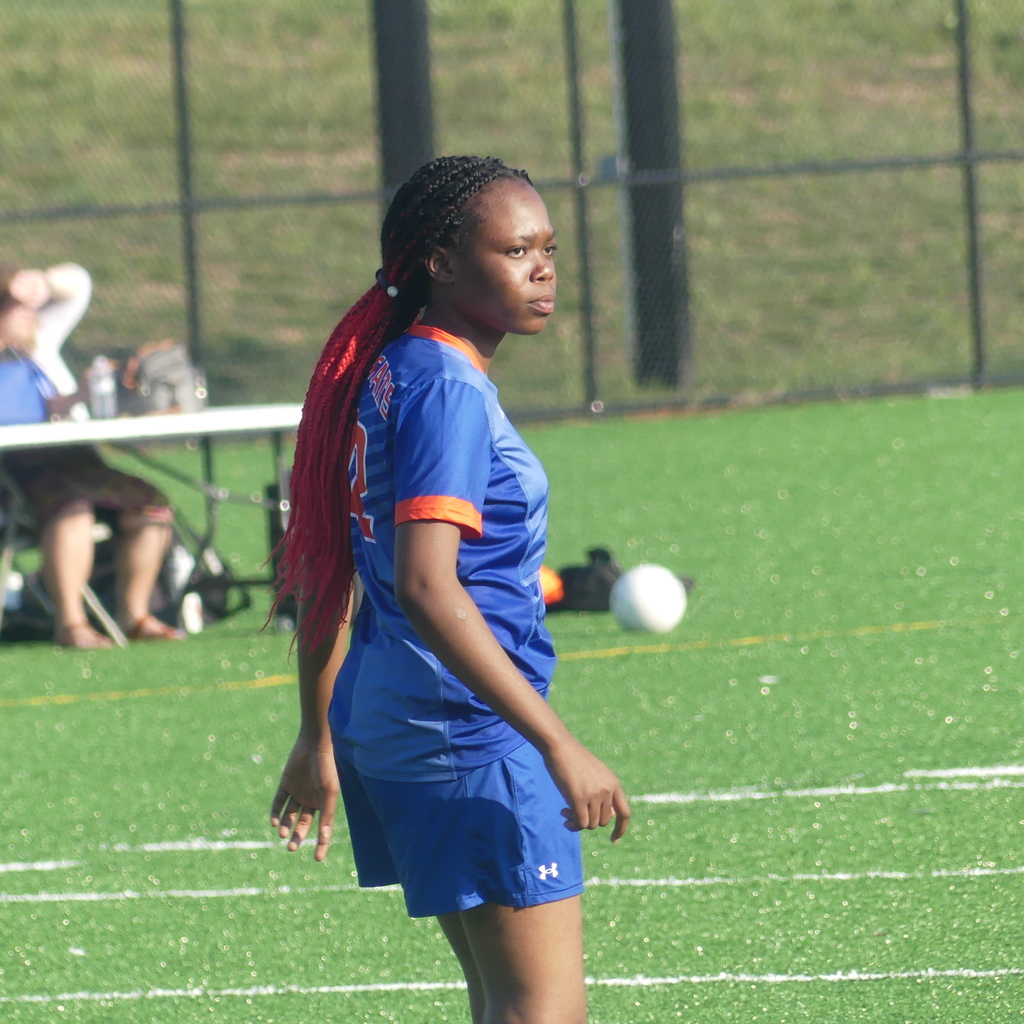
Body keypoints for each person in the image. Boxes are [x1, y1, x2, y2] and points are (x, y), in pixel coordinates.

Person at [269, 156, 630, 1024]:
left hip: (395, 719)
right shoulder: (441, 386)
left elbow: (328, 564)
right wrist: (555, 742)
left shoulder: (392, 367)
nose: (542, 269)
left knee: (503, 1002)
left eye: (548, 248)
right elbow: (425, 585)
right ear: (439, 260)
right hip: (466, 731)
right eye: (514, 249)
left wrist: (319, 732)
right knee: (541, 1012)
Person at [0, 262, 184, 647]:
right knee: (73, 509)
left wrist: (78, 397)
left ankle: (135, 614)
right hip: (17, 478)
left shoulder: (34, 352)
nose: (33, 316)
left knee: (150, 504)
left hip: (74, 460)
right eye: (21, 309)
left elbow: (79, 282)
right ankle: (71, 625)